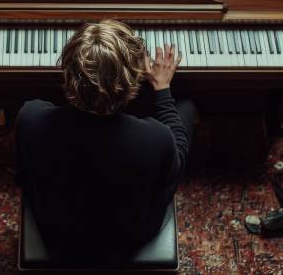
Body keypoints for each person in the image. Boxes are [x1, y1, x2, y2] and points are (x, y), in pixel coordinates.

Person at [15, 19, 195, 258]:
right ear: (133, 79)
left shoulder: (30, 119)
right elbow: (178, 160)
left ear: (68, 76)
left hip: (57, 232)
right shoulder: (156, 139)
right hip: (130, 238)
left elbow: (23, 175)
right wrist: (162, 90)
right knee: (186, 109)